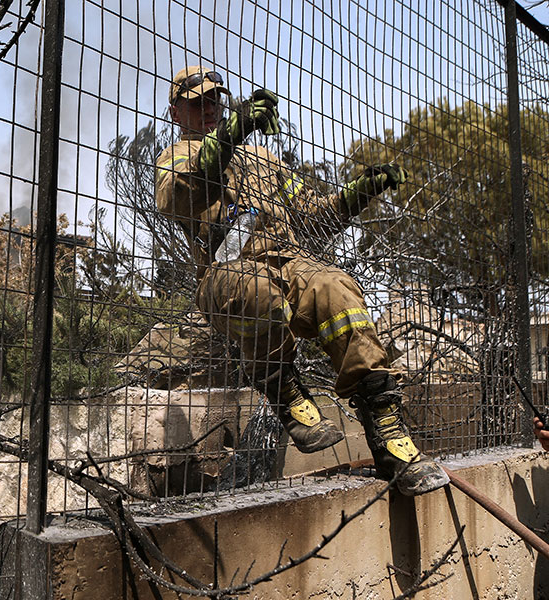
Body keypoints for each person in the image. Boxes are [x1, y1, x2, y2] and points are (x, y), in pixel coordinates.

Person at [154, 65, 449, 496]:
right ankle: (283, 390)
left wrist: (361, 190)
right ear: (177, 111)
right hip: (224, 276)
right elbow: (185, 189)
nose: (211, 108)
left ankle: (390, 437)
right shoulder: (175, 158)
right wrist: (233, 132)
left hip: (289, 261)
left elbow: (315, 214)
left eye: (216, 99)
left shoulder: (266, 161)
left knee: (336, 286)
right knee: (252, 286)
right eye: (198, 102)